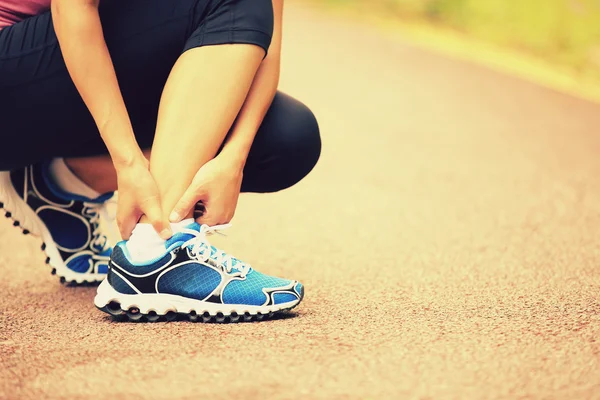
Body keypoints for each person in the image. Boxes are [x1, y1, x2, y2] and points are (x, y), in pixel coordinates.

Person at [0, 0, 321, 322]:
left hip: (60, 85)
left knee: (285, 137)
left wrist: (233, 156)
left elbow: (267, 39)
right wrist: (127, 161)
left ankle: (61, 181)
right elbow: (72, 8)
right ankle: (154, 254)